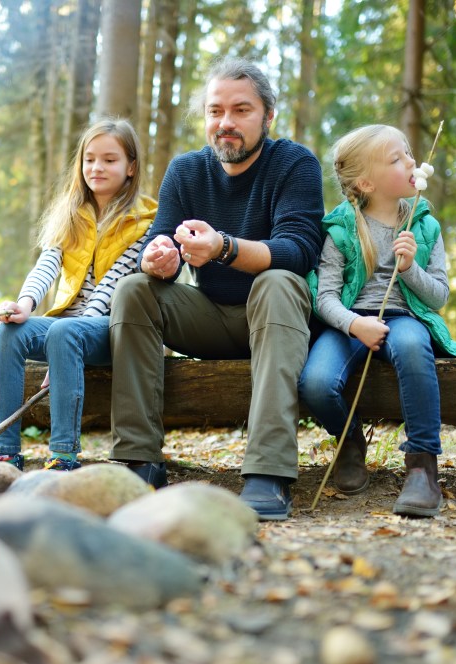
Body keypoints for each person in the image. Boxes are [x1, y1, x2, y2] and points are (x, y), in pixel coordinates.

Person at [108, 57, 324, 519]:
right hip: (209, 316)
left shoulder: (295, 163)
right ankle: (139, 462)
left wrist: (224, 248)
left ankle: (269, 471)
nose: (225, 123)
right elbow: (161, 238)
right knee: (133, 289)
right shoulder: (186, 171)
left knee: (278, 280)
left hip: (277, 320)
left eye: (241, 110)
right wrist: (158, 258)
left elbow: (299, 249)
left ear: (268, 116)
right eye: (214, 111)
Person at [298, 124, 456, 517]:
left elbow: (439, 295)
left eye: (408, 152)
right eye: (397, 158)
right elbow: (323, 296)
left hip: (404, 317)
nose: (412, 161)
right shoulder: (341, 229)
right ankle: (350, 441)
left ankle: (422, 465)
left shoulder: (424, 224)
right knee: (317, 382)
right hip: (350, 321)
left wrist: (409, 269)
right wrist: (355, 325)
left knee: (411, 346)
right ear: (367, 183)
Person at [0, 118, 157, 472]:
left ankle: (63, 455)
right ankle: (4, 451)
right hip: (67, 328)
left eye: (109, 160)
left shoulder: (146, 220)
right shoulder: (71, 214)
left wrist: (63, 340)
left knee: (64, 332)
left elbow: (113, 285)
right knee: (8, 332)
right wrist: (23, 305)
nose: (96, 167)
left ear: (131, 167)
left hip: (112, 328)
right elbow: (47, 266)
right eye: (89, 159)